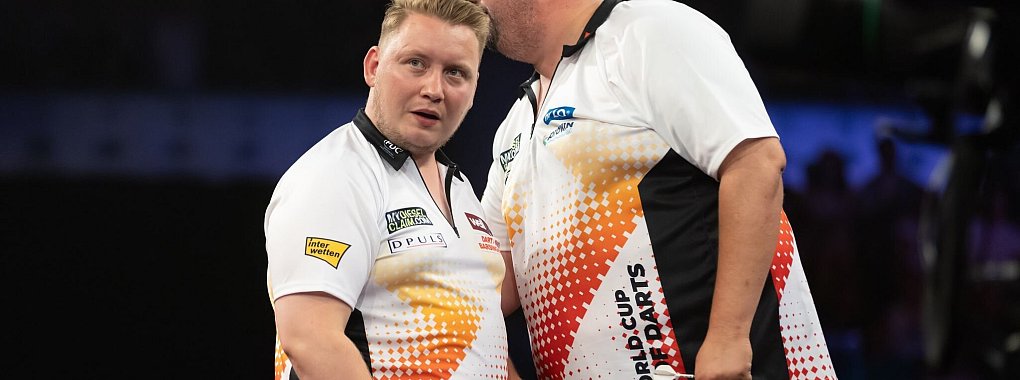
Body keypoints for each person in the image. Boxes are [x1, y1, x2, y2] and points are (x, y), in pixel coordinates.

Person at [476, 0, 836, 379]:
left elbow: (755, 164)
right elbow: (494, 286)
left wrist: (728, 340)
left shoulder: (648, 31)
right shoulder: (514, 124)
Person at [264, 1, 510, 379]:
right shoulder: (336, 176)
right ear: (374, 67)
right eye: (416, 63)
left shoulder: (459, 187)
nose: (434, 89)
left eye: (456, 73)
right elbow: (309, 339)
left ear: (475, 90)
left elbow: (481, 344)